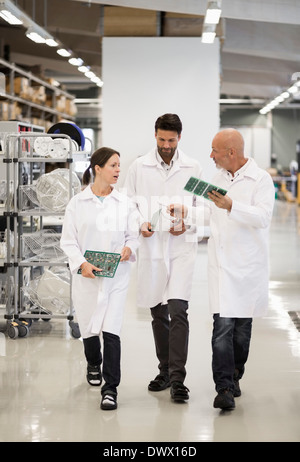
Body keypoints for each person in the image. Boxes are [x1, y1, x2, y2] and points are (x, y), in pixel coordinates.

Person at [168, 128, 275, 410]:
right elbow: (207, 212)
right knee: (222, 329)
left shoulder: (261, 180)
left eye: (215, 150)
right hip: (221, 268)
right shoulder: (215, 179)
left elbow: (263, 217)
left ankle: (236, 375)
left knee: (241, 332)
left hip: (248, 268)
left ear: (231, 153)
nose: (211, 155)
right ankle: (224, 387)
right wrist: (185, 216)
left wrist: (231, 205)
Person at [124, 113, 203, 403]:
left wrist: (188, 221)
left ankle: (177, 379)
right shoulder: (138, 167)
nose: (166, 145)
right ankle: (164, 370)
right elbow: (129, 204)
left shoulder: (193, 167)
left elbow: (203, 205)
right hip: (153, 248)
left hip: (181, 249)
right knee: (158, 313)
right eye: (161, 139)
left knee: (179, 310)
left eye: (171, 140)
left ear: (179, 138)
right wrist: (139, 224)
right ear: (154, 136)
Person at [60, 147, 139, 411]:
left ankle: (110, 389)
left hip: (115, 277)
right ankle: (93, 362)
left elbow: (133, 235)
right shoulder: (77, 203)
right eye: (113, 166)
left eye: (119, 165)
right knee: (90, 329)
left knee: (112, 330)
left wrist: (130, 248)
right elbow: (68, 241)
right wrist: (81, 263)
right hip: (87, 277)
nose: (118, 171)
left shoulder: (125, 202)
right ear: (98, 169)